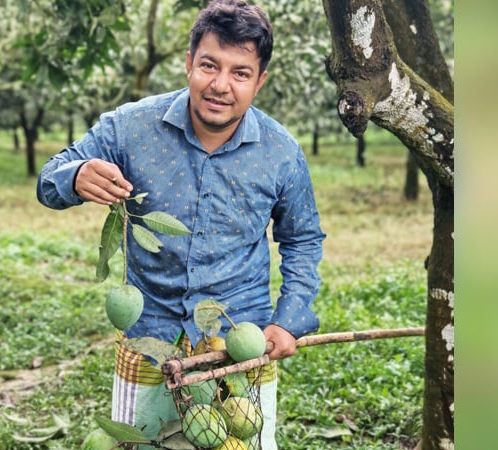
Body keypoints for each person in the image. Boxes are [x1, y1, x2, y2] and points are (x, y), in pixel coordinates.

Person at [37, 1, 325, 448]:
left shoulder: (281, 152)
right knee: (139, 443)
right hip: (149, 337)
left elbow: (302, 238)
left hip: (238, 343)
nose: (220, 85)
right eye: (209, 65)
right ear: (189, 63)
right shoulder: (130, 128)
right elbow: (49, 179)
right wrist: (74, 176)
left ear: (259, 82)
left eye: (240, 72)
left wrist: (290, 319)